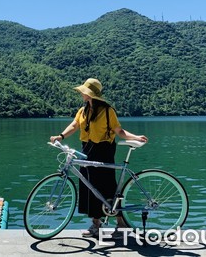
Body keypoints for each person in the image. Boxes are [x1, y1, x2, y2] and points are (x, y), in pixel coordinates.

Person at [49, 78, 148, 238]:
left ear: (91, 94)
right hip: (86, 149)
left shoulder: (108, 111)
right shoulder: (83, 110)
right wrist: (61, 136)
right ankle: (96, 224)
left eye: (84, 92)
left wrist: (136, 137)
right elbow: (75, 125)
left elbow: (119, 131)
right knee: (89, 187)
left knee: (107, 186)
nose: (81, 94)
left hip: (103, 150)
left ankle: (121, 224)